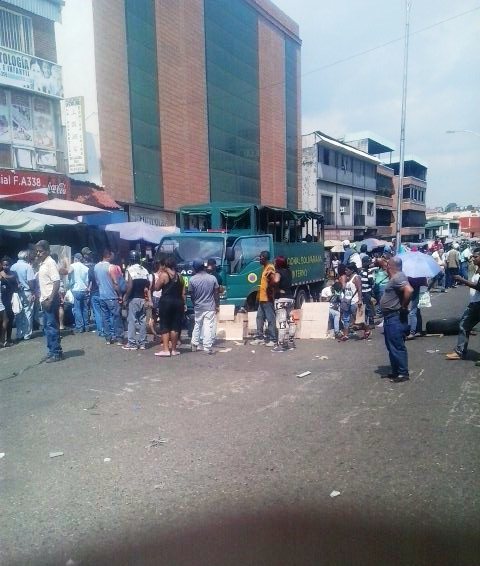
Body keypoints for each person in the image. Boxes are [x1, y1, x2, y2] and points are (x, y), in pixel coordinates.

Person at [379, 256, 413, 383]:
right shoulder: (395, 277)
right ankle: (396, 371)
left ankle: (403, 373)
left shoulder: (398, 277)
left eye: (388, 264)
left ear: (391, 266)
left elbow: (409, 290)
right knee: (391, 346)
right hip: (390, 318)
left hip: (395, 317)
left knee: (397, 346)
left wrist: (403, 306)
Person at [445, 247, 480, 361]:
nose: (473, 258)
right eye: (472, 256)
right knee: (465, 325)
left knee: (464, 325)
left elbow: (478, 287)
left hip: (477, 304)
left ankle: (460, 351)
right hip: (475, 302)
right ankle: (460, 351)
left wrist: (462, 280)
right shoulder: (477, 269)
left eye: (475, 256)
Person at [35, 240, 64, 362]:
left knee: (52, 326)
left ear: (47, 251)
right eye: (37, 251)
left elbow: (56, 282)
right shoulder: (42, 263)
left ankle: (56, 352)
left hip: (50, 300)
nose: (38, 253)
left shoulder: (50, 263)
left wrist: (51, 299)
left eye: (40, 251)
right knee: (47, 327)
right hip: (44, 299)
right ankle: (51, 350)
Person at [154, 257, 185, 357]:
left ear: (165, 265)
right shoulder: (180, 276)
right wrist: (183, 304)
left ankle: (166, 350)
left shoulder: (164, 275)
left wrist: (158, 277)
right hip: (178, 302)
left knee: (165, 325)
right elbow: (183, 292)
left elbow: (156, 287)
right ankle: (174, 350)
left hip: (166, 302)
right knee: (175, 326)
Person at [189, 259, 219, 355]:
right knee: (208, 326)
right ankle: (207, 347)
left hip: (198, 306)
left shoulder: (192, 279)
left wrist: (195, 303)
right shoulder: (212, 278)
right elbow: (216, 292)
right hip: (209, 306)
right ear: (204, 266)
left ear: (195, 268)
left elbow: (191, 294)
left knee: (197, 324)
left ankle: (194, 344)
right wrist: (217, 305)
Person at [122, 250, 150, 351]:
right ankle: (142, 343)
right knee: (142, 321)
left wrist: (125, 296)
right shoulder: (145, 270)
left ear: (130, 259)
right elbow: (148, 285)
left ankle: (132, 343)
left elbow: (129, 285)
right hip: (143, 298)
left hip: (133, 298)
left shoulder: (130, 270)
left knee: (132, 321)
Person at [94, 249, 123, 345]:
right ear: (109, 256)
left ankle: (108, 338)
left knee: (105, 318)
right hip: (112, 296)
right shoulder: (112, 267)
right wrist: (120, 295)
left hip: (102, 295)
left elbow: (97, 281)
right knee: (116, 317)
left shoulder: (96, 267)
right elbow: (115, 283)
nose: (114, 257)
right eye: (112, 255)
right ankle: (119, 338)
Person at [250, 251, 276, 347]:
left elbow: (273, 282)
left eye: (261, 258)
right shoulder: (264, 268)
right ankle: (260, 337)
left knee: (270, 319)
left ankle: (273, 339)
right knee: (259, 318)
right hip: (262, 298)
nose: (259, 259)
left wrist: (270, 294)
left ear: (265, 258)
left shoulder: (270, 268)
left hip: (267, 298)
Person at [271, 256, 296, 352]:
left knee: (282, 323)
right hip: (290, 298)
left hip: (281, 299)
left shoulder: (278, 272)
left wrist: (274, 284)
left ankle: (280, 345)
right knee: (291, 321)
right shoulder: (289, 271)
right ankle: (291, 343)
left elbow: (276, 280)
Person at [11, 251, 36, 341]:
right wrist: (33, 291)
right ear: (26, 256)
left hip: (16, 293)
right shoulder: (28, 266)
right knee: (28, 312)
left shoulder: (13, 266)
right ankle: (27, 334)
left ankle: (19, 333)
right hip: (27, 291)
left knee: (18, 313)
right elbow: (30, 281)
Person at [82, 247, 103, 336]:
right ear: (84, 255)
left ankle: (101, 330)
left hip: (94, 290)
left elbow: (90, 280)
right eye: (88, 254)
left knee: (97, 311)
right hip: (93, 290)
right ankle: (102, 329)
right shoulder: (90, 266)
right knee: (94, 310)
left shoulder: (92, 266)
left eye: (90, 253)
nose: (90, 255)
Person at [339, 263, 362, 341]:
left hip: (354, 302)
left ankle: (367, 329)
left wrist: (360, 300)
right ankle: (346, 335)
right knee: (346, 318)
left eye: (347, 270)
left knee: (358, 319)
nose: (345, 271)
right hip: (347, 301)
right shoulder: (348, 278)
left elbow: (359, 289)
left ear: (352, 270)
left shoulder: (356, 278)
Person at [68, 253, 90, 333]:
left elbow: (69, 272)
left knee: (77, 309)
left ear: (75, 259)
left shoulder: (73, 265)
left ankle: (79, 327)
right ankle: (86, 326)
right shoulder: (86, 268)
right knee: (85, 308)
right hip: (84, 289)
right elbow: (87, 281)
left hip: (76, 289)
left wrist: (69, 279)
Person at [1, 256, 19, 347]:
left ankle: (8, 338)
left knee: (10, 319)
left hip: (12, 299)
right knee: (4, 320)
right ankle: (2, 340)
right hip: (3, 299)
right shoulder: (0, 275)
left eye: (7, 265)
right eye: (4, 265)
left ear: (10, 265)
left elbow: (17, 285)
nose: (6, 266)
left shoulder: (14, 274)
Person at [360, 255, 375, 338]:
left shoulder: (363, 272)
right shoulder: (367, 272)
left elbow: (370, 281)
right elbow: (371, 282)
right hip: (366, 292)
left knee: (367, 307)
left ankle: (370, 322)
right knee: (367, 307)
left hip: (365, 292)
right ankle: (367, 322)